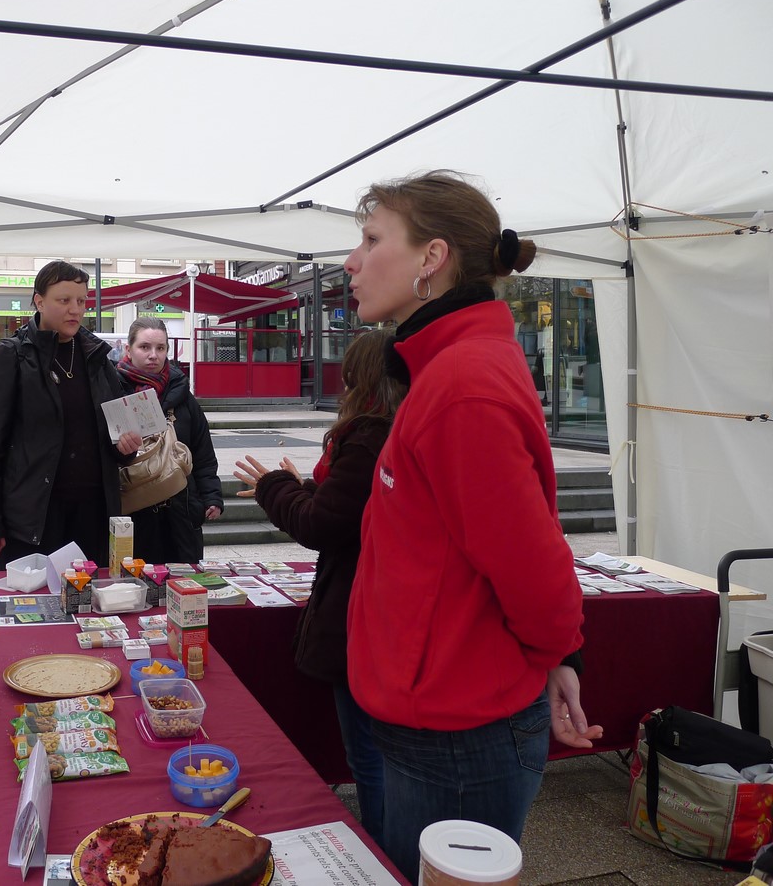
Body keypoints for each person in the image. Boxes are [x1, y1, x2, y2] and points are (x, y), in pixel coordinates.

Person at [342, 171, 601, 882]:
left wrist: (558, 653)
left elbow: (533, 565)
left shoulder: (461, 386)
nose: (351, 261)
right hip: (434, 713)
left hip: (455, 728)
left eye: (370, 240)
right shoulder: (447, 370)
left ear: (432, 258)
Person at [233, 329, 404, 842]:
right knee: (379, 756)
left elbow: (321, 526)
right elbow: (347, 512)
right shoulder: (395, 429)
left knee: (371, 759)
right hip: (378, 604)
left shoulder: (371, 434)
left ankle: (386, 856)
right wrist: (306, 488)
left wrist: (276, 487)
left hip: (363, 610)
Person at [0, 261, 142, 569]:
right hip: (33, 519)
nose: (75, 309)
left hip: (92, 516)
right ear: (39, 301)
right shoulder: (8, 358)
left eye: (81, 301)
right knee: (35, 611)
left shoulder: (97, 359)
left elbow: (115, 434)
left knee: (89, 609)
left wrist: (126, 448)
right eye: (64, 300)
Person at [116, 316, 223, 563]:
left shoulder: (184, 398)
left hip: (181, 513)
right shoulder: (111, 391)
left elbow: (203, 453)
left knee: (183, 587)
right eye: (144, 347)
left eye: (160, 348)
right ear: (128, 350)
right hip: (133, 515)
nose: (153, 355)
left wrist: (212, 496)